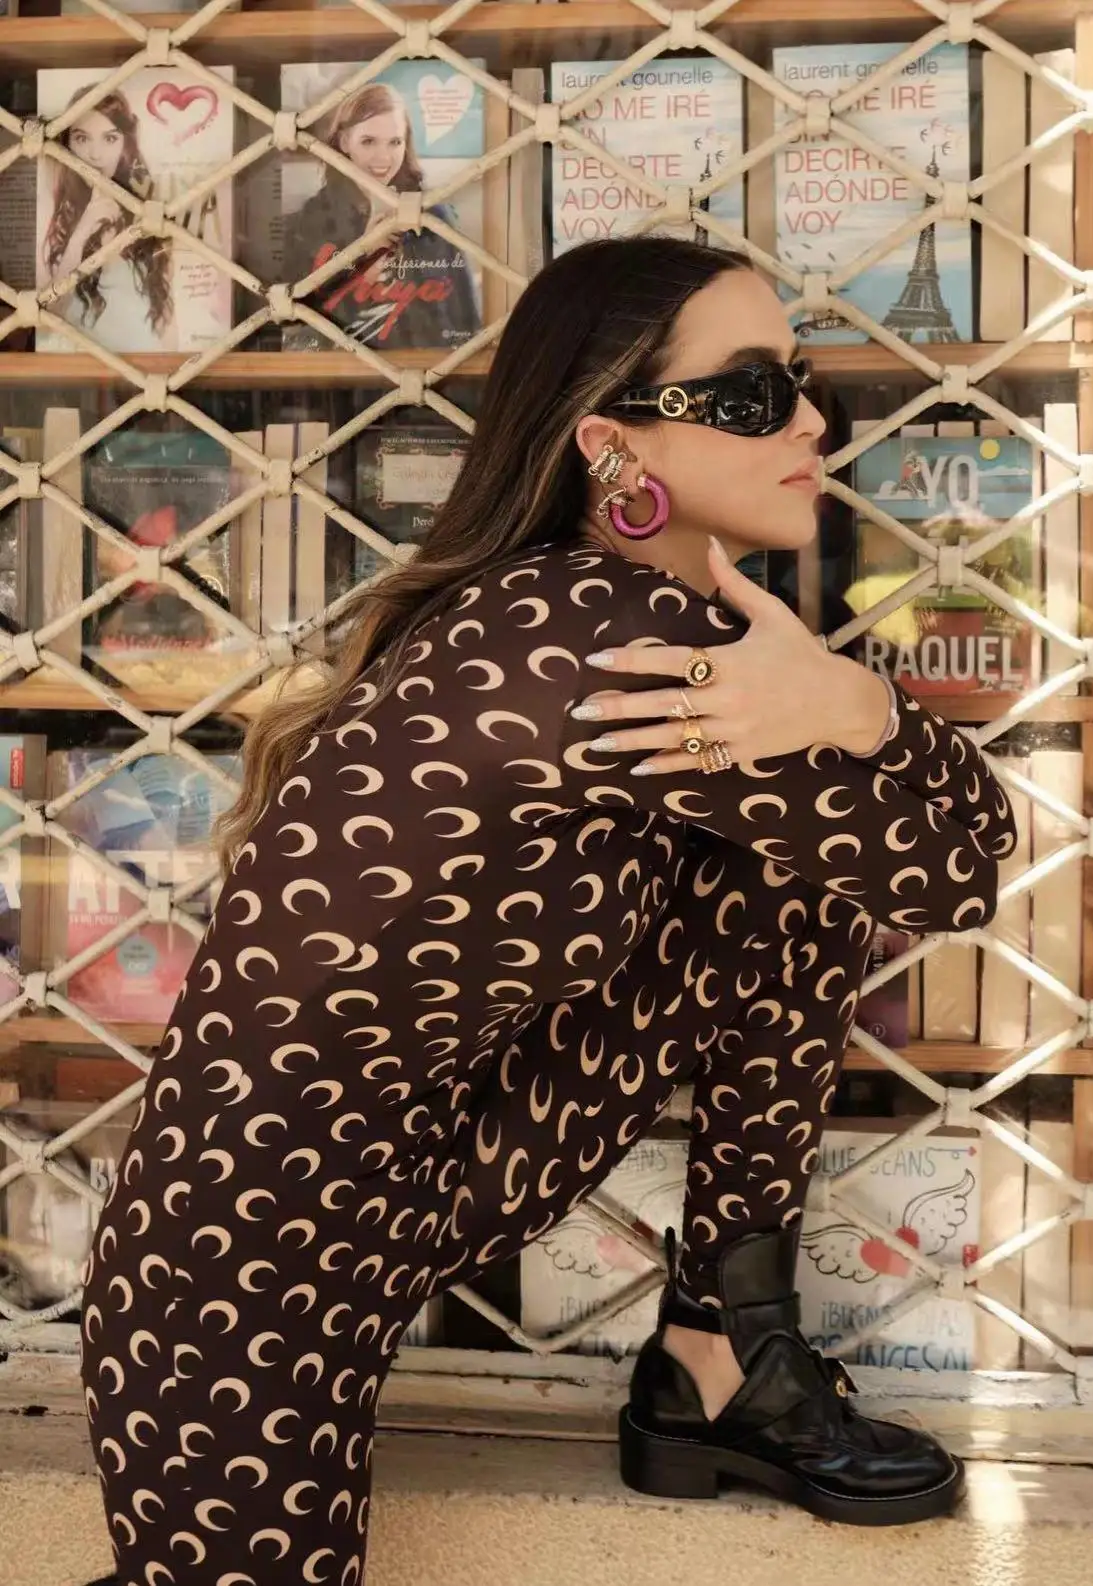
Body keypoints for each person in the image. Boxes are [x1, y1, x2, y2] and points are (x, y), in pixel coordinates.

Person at [78, 235, 1016, 1585]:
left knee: (794, 871)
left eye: (804, 385)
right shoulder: (606, 640)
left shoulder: (631, 620)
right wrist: (859, 706)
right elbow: (961, 865)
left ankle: (719, 1345)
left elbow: (918, 868)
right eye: (752, 393)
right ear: (609, 442)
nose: (811, 421)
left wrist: (846, 705)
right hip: (248, 1244)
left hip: (442, 1164)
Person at [283, 79, 482, 351]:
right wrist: (363, 257)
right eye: (368, 141)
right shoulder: (310, 222)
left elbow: (466, 322)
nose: (383, 158)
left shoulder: (435, 217)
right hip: (341, 372)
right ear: (344, 141)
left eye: (395, 142)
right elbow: (296, 330)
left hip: (426, 371)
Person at [41, 87, 173, 348]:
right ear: (67, 144)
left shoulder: (149, 216)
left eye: (109, 138)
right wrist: (81, 233)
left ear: (125, 143)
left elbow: (167, 327)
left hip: (145, 364)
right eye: (82, 139)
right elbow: (49, 318)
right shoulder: (58, 215)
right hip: (80, 365)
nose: (95, 154)